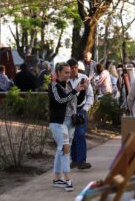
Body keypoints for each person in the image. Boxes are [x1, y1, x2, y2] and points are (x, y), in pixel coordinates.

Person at [49, 62, 87, 192]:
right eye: (66, 72)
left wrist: (82, 90)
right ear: (58, 72)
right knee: (65, 148)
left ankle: (56, 178)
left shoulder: (69, 85)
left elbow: (76, 100)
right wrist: (75, 91)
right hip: (59, 123)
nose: (68, 74)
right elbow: (60, 100)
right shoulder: (54, 86)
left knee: (61, 150)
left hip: (71, 122)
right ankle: (67, 179)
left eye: (69, 72)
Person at [67, 59, 94, 170]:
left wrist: (85, 109)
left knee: (80, 134)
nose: (74, 70)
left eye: (75, 67)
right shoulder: (64, 79)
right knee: (71, 136)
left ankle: (81, 161)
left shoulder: (84, 79)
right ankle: (74, 160)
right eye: (71, 67)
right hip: (69, 111)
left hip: (80, 109)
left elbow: (90, 95)